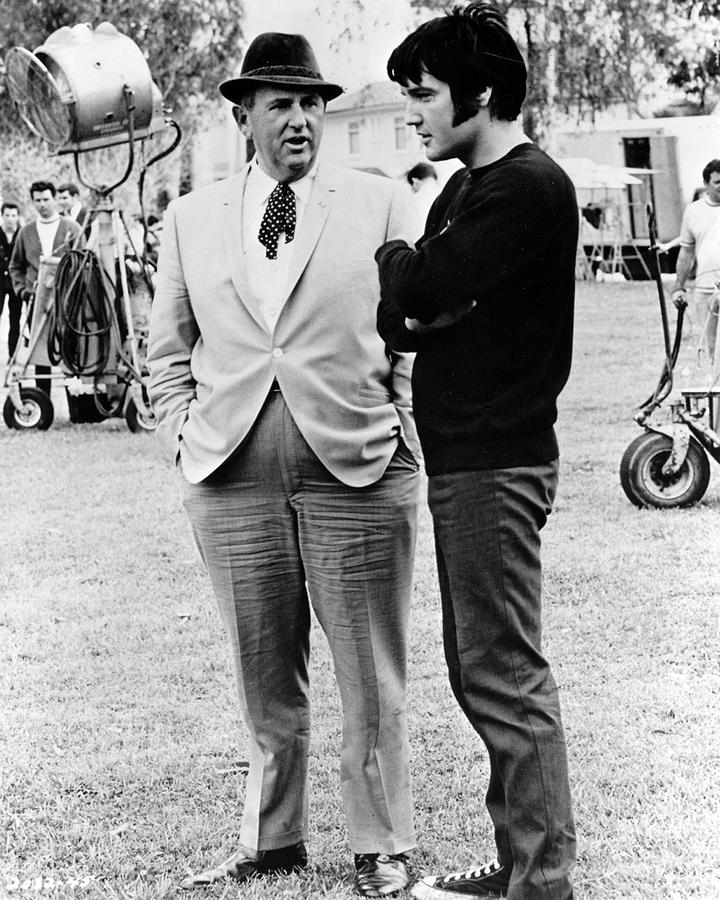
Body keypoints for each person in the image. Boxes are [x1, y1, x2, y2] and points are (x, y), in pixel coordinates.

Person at [147, 31, 421, 898]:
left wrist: (403, 427)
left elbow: (415, 335)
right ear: (243, 116)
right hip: (228, 473)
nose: (301, 118)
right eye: (281, 103)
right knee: (261, 667)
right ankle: (272, 842)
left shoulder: (380, 204)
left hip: (359, 465)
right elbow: (164, 354)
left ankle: (380, 845)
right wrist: (183, 437)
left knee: (369, 672)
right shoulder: (190, 218)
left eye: (312, 103)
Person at [375, 4, 577, 899]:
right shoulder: (464, 192)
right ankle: (518, 863)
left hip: (497, 460)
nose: (412, 114)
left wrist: (406, 267)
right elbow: (404, 316)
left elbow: (418, 286)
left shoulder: (527, 189)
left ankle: (540, 881)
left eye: (423, 95)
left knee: (502, 669)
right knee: (480, 667)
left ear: (482, 93)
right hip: (464, 458)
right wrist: (418, 289)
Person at [10, 181, 82, 394]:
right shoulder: (26, 232)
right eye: (38, 200)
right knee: (39, 348)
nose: (42, 205)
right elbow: (15, 266)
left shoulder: (72, 229)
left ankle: (75, 399)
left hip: (66, 299)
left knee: (70, 346)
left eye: (46, 199)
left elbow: (83, 262)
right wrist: (22, 290)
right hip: (36, 299)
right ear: (33, 202)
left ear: (55, 200)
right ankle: (43, 396)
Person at [671, 159, 720, 365]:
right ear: (706, 183)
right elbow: (686, 253)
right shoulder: (693, 211)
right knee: (712, 350)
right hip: (706, 290)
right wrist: (679, 288)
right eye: (718, 182)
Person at [0, 201, 22, 359]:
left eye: (13, 215)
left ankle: (12, 355)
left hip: (15, 283)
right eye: (7, 215)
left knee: (15, 320)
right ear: (2, 216)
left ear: (18, 217)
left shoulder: (22, 234)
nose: (10, 219)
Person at [405, 161, 440, 228]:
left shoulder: (414, 200)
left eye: (412, 188)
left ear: (414, 181)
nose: (413, 191)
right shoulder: (447, 193)